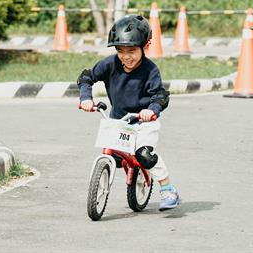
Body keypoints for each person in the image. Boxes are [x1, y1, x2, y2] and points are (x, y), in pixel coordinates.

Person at [77, 14, 180, 211]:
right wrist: (86, 99)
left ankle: (167, 188)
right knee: (114, 157)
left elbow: (160, 95)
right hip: (119, 121)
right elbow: (86, 78)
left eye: (132, 50)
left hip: (144, 122)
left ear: (145, 46)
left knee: (144, 155)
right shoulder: (110, 64)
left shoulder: (150, 71)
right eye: (120, 51)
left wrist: (151, 110)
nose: (126, 56)